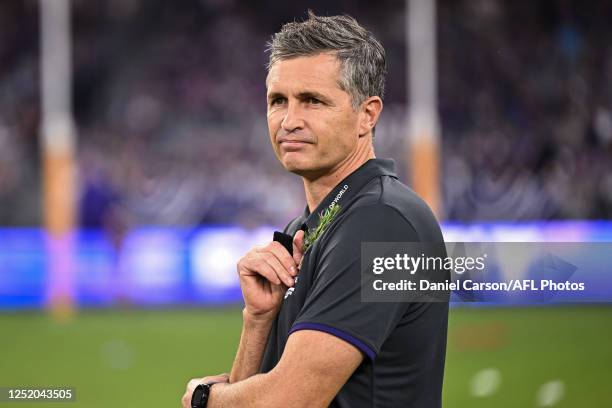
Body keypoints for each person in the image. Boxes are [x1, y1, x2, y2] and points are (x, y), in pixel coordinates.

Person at [182, 11, 448, 408]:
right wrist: (257, 321)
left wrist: (204, 400)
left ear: (367, 115)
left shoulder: (383, 221)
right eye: (278, 101)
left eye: (312, 101)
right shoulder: (311, 225)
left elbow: (291, 401)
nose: (289, 120)